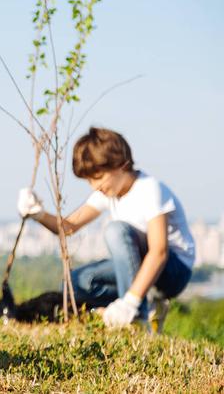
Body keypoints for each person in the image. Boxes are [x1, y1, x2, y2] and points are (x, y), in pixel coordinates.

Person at [17, 127, 194, 332]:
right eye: (89, 180)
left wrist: (131, 301)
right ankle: (134, 306)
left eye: (98, 177)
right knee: (73, 284)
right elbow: (68, 226)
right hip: (140, 266)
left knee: (115, 231)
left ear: (121, 165)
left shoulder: (149, 190)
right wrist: (37, 213)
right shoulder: (108, 193)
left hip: (173, 270)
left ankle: (137, 317)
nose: (94, 186)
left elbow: (159, 252)